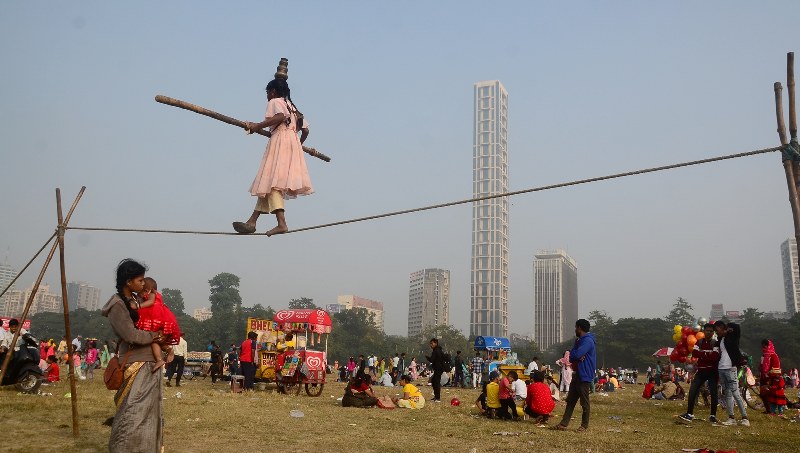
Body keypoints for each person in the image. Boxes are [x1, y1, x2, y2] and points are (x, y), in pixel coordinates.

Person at [234, 72, 315, 236]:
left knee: (273, 182)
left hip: (280, 141)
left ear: (273, 91)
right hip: (292, 142)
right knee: (269, 180)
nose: (267, 96)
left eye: (267, 93)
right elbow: (305, 130)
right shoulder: (293, 108)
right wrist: (298, 144)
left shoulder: (275, 102)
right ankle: (252, 221)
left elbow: (279, 116)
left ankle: (282, 223)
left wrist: (258, 126)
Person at [101, 258, 168, 452]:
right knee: (133, 413)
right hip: (134, 365)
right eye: (139, 280)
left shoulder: (138, 301)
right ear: (128, 281)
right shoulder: (118, 305)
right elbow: (130, 335)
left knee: (149, 413)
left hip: (149, 364)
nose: (142, 284)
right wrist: (155, 335)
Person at [554, 319, 596, 432]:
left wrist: (575, 354)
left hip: (584, 375)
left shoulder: (587, 341)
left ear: (579, 328)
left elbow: (575, 354)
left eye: (576, 327)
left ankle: (584, 425)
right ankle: (563, 424)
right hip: (576, 374)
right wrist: (575, 355)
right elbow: (571, 356)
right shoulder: (579, 341)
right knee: (570, 401)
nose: (575, 329)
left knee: (584, 402)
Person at [130, 277, 179, 372]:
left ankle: (160, 359)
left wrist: (138, 306)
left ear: (147, 290)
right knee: (157, 340)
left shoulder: (152, 293)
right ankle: (168, 350)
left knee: (153, 339)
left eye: (141, 292)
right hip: (163, 318)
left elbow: (150, 302)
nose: (139, 295)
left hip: (156, 317)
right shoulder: (158, 296)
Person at [679, 323, 720, 424]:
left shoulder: (715, 343)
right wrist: (707, 354)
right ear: (704, 331)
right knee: (693, 390)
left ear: (713, 332)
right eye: (707, 331)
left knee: (714, 393)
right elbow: (695, 353)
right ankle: (689, 414)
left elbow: (715, 356)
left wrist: (703, 354)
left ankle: (713, 416)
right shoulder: (699, 342)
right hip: (701, 371)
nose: (709, 333)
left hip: (712, 372)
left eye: (711, 331)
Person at [715, 321, 750, 426]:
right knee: (728, 394)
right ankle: (731, 417)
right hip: (721, 368)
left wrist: (728, 329)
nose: (717, 333)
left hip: (731, 368)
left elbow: (737, 327)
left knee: (736, 393)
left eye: (718, 330)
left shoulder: (733, 338)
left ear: (723, 328)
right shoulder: (721, 340)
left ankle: (745, 418)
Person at [759, 339, 787, 415]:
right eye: (762, 347)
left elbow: (776, 369)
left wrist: (770, 376)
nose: (763, 348)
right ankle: (768, 410)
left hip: (771, 378)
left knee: (770, 395)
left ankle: (772, 410)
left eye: (765, 346)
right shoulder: (763, 356)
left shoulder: (774, 356)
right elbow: (761, 366)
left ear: (769, 346)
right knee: (763, 394)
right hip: (763, 377)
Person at [425, 338, 445, 402]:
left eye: (432, 343)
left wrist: (427, 357)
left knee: (436, 383)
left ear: (436, 343)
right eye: (430, 343)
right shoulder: (439, 350)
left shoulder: (436, 351)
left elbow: (432, 360)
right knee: (434, 382)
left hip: (438, 368)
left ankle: (437, 398)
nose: (431, 345)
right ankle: (436, 396)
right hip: (438, 369)